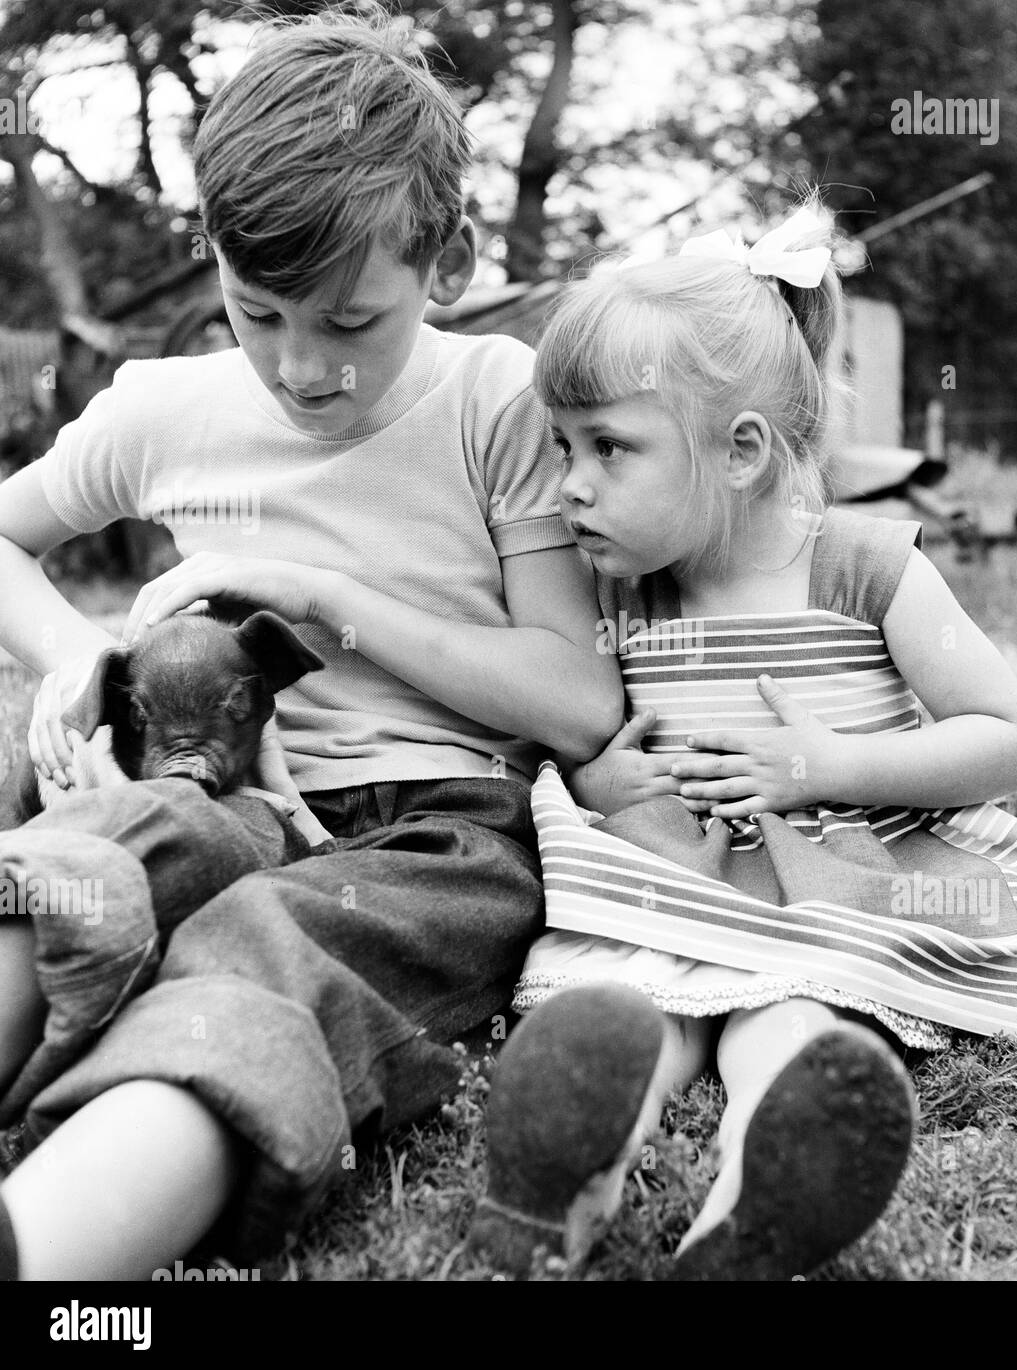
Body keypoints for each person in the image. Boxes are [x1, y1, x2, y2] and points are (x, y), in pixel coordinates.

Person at [0, 5, 621, 1281]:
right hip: (199, 772)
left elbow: (575, 699)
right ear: (214, 257)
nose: (301, 366)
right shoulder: (161, 408)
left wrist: (312, 588)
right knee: (86, 856)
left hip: (420, 834)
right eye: (256, 310)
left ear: (444, 261)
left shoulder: (494, 398)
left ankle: (48, 1247)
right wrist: (83, 664)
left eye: (350, 322)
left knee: (268, 952)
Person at [466, 204, 1017, 1280]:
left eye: (607, 447)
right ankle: (568, 1170)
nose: (569, 483)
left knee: (792, 1005)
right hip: (674, 871)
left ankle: (756, 1192)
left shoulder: (867, 566)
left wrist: (829, 764)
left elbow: (1010, 739)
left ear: (742, 449)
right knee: (630, 1003)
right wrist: (601, 775)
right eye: (564, 447)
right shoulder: (618, 592)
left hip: (831, 878)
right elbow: (584, 734)